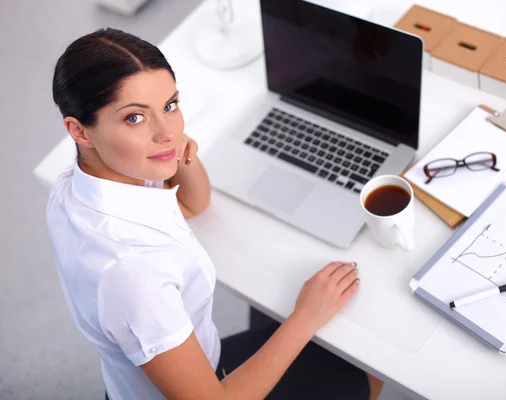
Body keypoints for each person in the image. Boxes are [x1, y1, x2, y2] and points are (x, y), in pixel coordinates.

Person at [47, 28, 384, 400]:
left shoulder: (81, 182)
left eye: (170, 106)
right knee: (367, 370)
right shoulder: (133, 275)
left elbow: (194, 203)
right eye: (134, 118)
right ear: (78, 130)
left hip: (165, 372)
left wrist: (174, 153)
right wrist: (307, 316)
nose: (168, 132)